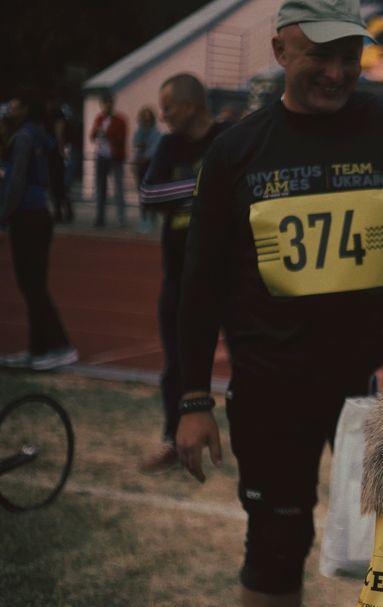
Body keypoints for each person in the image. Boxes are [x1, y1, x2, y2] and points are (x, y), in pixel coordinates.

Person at [174, 0, 383, 607]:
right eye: (319, 55)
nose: (337, 72)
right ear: (279, 52)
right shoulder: (235, 152)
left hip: (381, 381)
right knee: (276, 540)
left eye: (349, 57)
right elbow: (200, 285)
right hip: (273, 385)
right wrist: (192, 398)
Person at [137, 74, 233, 474]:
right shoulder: (169, 146)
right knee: (176, 365)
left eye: (169, 106)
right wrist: (206, 185)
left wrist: (192, 190)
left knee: (250, 362)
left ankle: (256, 439)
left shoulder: (228, 139)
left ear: (190, 105)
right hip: (179, 276)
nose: (163, 115)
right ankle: (174, 441)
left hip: (233, 276)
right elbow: (148, 194)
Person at [0, 93, 78, 371]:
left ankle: (60, 345)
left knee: (32, 285)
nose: (10, 106)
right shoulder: (39, 135)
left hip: (27, 216)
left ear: (26, 107)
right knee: (33, 285)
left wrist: (3, 216)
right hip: (39, 214)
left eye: (15, 102)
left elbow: (16, 180)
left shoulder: (23, 138)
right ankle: (38, 347)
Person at [89, 91, 128, 228]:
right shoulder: (99, 118)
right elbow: (92, 136)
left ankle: (121, 218)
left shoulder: (120, 120)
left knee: (118, 188)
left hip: (115, 156)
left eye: (110, 103)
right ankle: (99, 218)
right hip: (101, 155)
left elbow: (121, 138)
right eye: (105, 104)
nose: (107, 106)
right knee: (100, 188)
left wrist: (107, 133)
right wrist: (96, 131)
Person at [132, 106, 161, 232]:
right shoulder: (139, 132)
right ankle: (144, 218)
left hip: (151, 165)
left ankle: (152, 219)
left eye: (148, 118)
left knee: (151, 192)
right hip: (141, 166)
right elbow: (135, 144)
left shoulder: (156, 132)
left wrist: (143, 156)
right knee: (142, 193)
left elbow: (153, 150)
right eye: (143, 118)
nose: (145, 121)